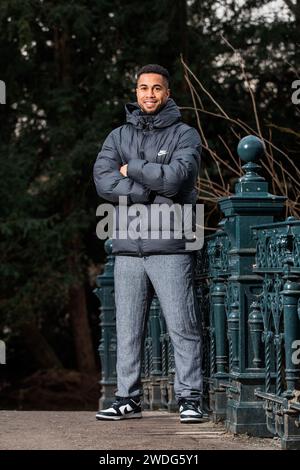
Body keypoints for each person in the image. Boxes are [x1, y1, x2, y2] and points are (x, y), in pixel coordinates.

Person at [93, 64, 203, 423]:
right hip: (127, 248)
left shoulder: (185, 135)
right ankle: (127, 398)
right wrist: (144, 186)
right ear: (136, 92)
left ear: (167, 93)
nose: (149, 94)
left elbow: (175, 180)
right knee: (127, 328)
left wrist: (133, 167)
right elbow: (103, 181)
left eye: (157, 88)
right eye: (143, 88)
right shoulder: (117, 136)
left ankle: (190, 399)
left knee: (182, 326)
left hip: (170, 245)